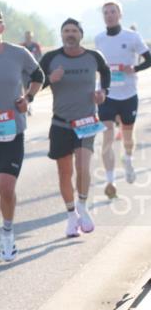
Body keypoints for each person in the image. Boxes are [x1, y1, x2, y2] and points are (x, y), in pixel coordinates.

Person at [0, 7, 44, 262]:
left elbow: (38, 75)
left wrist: (28, 98)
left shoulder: (18, 53)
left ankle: (8, 233)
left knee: (5, 186)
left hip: (12, 131)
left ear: (1, 28)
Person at [39, 19, 111, 237]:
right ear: (61, 35)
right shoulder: (51, 58)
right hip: (60, 123)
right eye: (66, 31)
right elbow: (34, 83)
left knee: (83, 166)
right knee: (64, 172)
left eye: (74, 31)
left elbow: (105, 73)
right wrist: (50, 79)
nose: (70, 34)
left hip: (87, 122)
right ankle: (71, 216)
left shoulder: (94, 57)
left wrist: (103, 92)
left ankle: (82, 205)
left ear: (81, 34)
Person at [94, 0, 150, 198]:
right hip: (107, 95)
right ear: (103, 17)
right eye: (106, 12)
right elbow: (98, 67)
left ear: (120, 14)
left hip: (128, 94)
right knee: (107, 137)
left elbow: (149, 58)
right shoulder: (99, 39)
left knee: (127, 136)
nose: (109, 15)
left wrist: (134, 68)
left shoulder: (132, 36)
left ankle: (128, 158)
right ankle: (110, 181)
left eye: (113, 11)